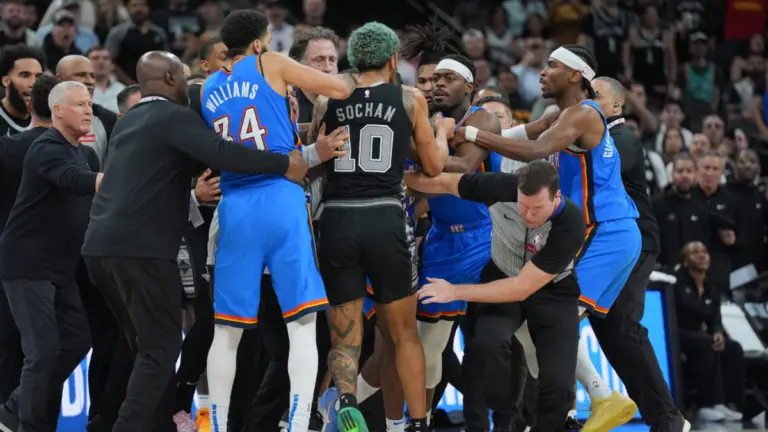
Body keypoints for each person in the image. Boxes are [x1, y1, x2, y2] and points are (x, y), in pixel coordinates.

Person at [80, 50, 307, 432]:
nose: (187, 84)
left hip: (99, 248)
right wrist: (283, 162)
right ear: (170, 78)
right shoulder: (173, 116)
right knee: (160, 349)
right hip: (140, 251)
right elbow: (221, 153)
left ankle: (158, 425)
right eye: (183, 76)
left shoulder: (131, 120)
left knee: (142, 346)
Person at [454, 44, 642, 431]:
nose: (541, 72)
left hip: (604, 230)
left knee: (553, 316)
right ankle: (597, 397)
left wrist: (474, 133)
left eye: (552, 66)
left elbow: (534, 150)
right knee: (541, 315)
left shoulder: (584, 115)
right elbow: (526, 134)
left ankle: (589, 402)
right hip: (603, 230)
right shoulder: (562, 116)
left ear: (576, 75)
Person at [199, 10, 357, 432]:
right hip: (281, 198)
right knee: (302, 323)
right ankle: (301, 421)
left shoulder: (209, 87)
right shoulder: (269, 63)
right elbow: (338, 87)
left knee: (227, 332)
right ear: (257, 44)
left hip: (233, 207)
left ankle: (214, 424)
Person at [308, 21, 453, 432]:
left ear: (354, 60)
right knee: (404, 332)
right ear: (392, 60)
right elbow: (433, 166)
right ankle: (418, 422)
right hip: (385, 215)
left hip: (337, 216)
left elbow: (318, 156)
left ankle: (347, 400)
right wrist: (441, 134)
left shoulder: (326, 98)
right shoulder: (408, 98)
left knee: (345, 332)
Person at [405, 160, 586, 432]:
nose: (528, 214)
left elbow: (522, 287)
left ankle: (557, 419)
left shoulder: (571, 221)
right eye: (523, 206)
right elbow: (445, 183)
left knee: (557, 386)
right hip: (503, 274)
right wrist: (401, 179)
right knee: (486, 341)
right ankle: (501, 405)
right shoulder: (501, 186)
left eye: (537, 208)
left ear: (556, 197)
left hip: (551, 292)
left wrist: (453, 291)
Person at [589, 76, 690, 432]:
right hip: (603, 244)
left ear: (616, 105)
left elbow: (602, 169)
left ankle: (668, 418)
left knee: (624, 327)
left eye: (595, 96)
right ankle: (659, 414)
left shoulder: (622, 136)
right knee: (610, 330)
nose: (587, 101)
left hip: (636, 240)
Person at [0, 81, 101, 432]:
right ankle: (21, 423)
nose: (88, 109)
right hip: (27, 264)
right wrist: (116, 179)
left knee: (77, 340)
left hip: (60, 268)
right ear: (57, 110)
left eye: (90, 104)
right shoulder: (46, 147)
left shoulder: (83, 152)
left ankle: (13, 409)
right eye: (79, 105)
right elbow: (72, 181)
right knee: (41, 353)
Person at [0, 73, 57, 412]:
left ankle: (12, 414)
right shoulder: (81, 156)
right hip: (44, 263)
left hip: (21, 261)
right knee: (39, 350)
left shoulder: (9, 147)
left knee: (20, 348)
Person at [674, 241, 744, 422]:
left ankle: (727, 402)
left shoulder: (712, 287)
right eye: (695, 252)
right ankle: (706, 404)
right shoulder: (677, 283)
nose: (702, 255)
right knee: (705, 343)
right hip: (678, 333)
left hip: (701, 336)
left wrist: (718, 332)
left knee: (733, 347)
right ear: (685, 260)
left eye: (705, 252)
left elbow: (715, 319)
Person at [55, 54, 117, 165]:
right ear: (60, 80)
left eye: (93, 76)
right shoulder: (42, 116)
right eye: (81, 75)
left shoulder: (108, 120)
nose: (90, 81)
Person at [0, 44, 45, 137]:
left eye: (38, 77)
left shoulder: (50, 120)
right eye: (25, 75)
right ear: (6, 81)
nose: (33, 83)